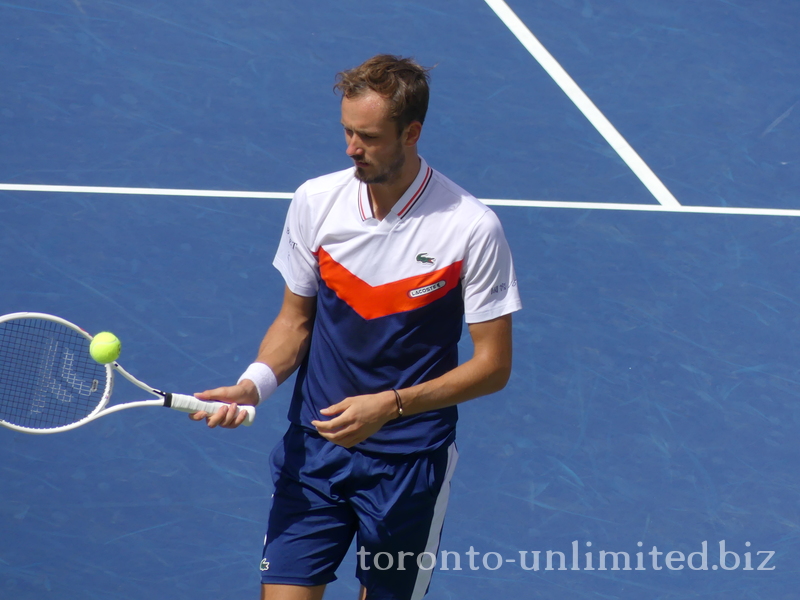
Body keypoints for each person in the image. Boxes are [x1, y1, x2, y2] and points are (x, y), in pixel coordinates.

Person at [190, 54, 522, 600]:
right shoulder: (316, 202)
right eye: (346, 131)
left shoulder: (471, 228)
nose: (351, 149)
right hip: (315, 448)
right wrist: (255, 384)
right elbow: (294, 321)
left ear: (411, 133)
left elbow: (493, 368)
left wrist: (389, 406)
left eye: (366, 136)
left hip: (408, 464)